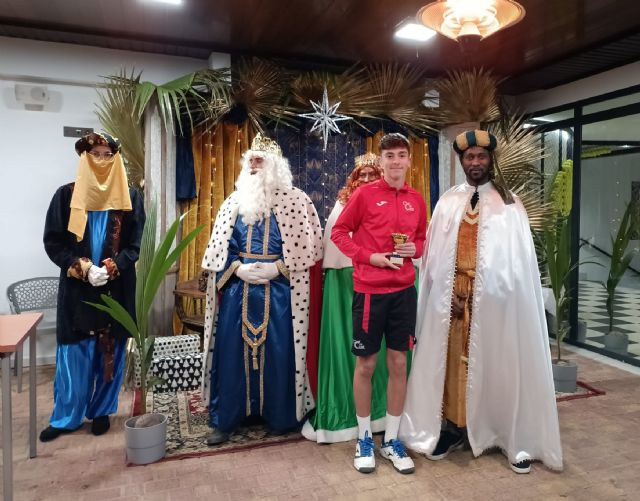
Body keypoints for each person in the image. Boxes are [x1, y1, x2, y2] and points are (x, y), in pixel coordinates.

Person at [399, 129, 563, 474]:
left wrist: (493, 295)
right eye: (469, 157)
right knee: (450, 364)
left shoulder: (510, 204)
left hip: (497, 304)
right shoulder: (448, 202)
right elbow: (434, 258)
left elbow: (517, 264)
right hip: (452, 300)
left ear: (490, 160)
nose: (475, 162)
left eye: (481, 156)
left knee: (500, 364)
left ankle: (508, 434)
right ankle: (452, 429)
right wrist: (444, 294)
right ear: (462, 162)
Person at [201, 133, 322, 445]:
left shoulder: (297, 201)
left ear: (275, 166)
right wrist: (237, 268)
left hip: (281, 293)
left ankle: (281, 416)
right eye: (251, 160)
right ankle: (228, 418)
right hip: (238, 293)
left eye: (261, 160)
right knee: (231, 356)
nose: (254, 166)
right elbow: (220, 251)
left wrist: (278, 267)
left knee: (280, 354)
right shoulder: (233, 203)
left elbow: (310, 250)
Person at [331, 133, 427, 474]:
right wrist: (369, 257)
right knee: (366, 365)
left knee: (399, 363)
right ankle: (364, 439)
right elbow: (339, 233)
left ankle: (392, 440)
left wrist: (415, 249)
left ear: (409, 160)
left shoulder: (417, 199)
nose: (396, 161)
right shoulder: (364, 195)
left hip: (404, 291)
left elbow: (422, 240)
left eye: (401, 155)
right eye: (390, 156)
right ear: (382, 161)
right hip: (370, 291)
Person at [41, 132, 145, 442]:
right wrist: (83, 268)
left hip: (116, 288)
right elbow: (53, 242)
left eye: (107, 154)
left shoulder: (129, 198)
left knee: (110, 350)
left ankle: (101, 411)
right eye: (95, 154)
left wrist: (112, 267)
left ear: (115, 158)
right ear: (84, 158)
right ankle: (66, 417)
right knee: (74, 354)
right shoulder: (66, 196)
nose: (101, 159)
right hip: (78, 291)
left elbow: (135, 244)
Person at [303, 152, 389, 443]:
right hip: (345, 283)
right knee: (349, 346)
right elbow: (335, 246)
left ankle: (382, 412)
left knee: (382, 351)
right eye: (361, 175)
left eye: (372, 174)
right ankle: (347, 413)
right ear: (354, 179)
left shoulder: (391, 203)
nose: (366, 179)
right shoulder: (343, 205)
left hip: (381, 283)